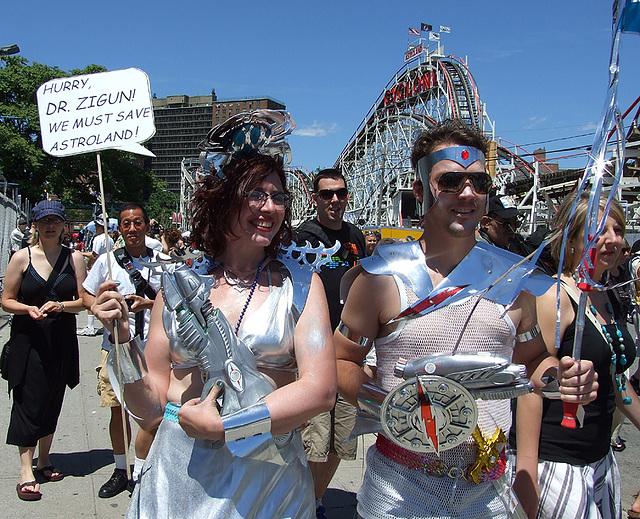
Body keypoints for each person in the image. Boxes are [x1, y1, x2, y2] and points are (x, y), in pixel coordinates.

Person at [334, 119, 598, 519]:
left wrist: (558, 379)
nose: (468, 193)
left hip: (488, 491)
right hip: (399, 490)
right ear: (420, 191)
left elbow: (528, 364)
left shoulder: (513, 278)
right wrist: (394, 406)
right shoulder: (381, 278)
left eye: (479, 182)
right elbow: (340, 361)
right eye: (451, 181)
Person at [91, 110, 336, 518]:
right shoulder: (176, 287)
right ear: (222, 199)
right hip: (180, 477)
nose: (270, 207)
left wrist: (229, 428)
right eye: (255, 194)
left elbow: (321, 390)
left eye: (278, 196)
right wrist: (119, 340)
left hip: (268, 481)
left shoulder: (301, 285)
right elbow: (150, 408)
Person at [530, 192, 640, 519]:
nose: (612, 239)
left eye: (618, 230)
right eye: (598, 229)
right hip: (558, 462)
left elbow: (617, 381)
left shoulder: (607, 299)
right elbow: (529, 383)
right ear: (572, 238)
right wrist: (525, 472)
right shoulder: (555, 297)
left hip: (600, 457)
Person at [1, 200, 87, 501]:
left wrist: (62, 305)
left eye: (56, 220)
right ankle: (26, 469)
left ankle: (44, 459)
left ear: (65, 224)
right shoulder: (21, 258)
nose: (50, 225)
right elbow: (6, 300)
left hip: (61, 339)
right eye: (44, 220)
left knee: (53, 398)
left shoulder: (74, 258)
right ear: (35, 225)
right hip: (28, 340)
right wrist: (28, 308)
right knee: (27, 401)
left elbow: (84, 301)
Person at [82, 202, 168, 498]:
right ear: (119, 229)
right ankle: (121, 469)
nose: (132, 229)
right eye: (126, 224)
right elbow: (85, 293)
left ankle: (143, 471)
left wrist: (149, 303)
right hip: (116, 347)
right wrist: (98, 306)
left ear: (147, 226)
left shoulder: (162, 261)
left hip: (152, 349)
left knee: (152, 414)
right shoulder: (107, 262)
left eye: (138, 223)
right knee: (117, 411)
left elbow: (176, 301)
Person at [295, 168, 366, 519]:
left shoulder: (355, 236)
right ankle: (303, 503)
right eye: (326, 194)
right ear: (315, 198)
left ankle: (316, 500)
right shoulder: (304, 237)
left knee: (344, 436)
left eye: (340, 193)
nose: (334, 200)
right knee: (314, 437)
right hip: (315, 349)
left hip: (350, 351)